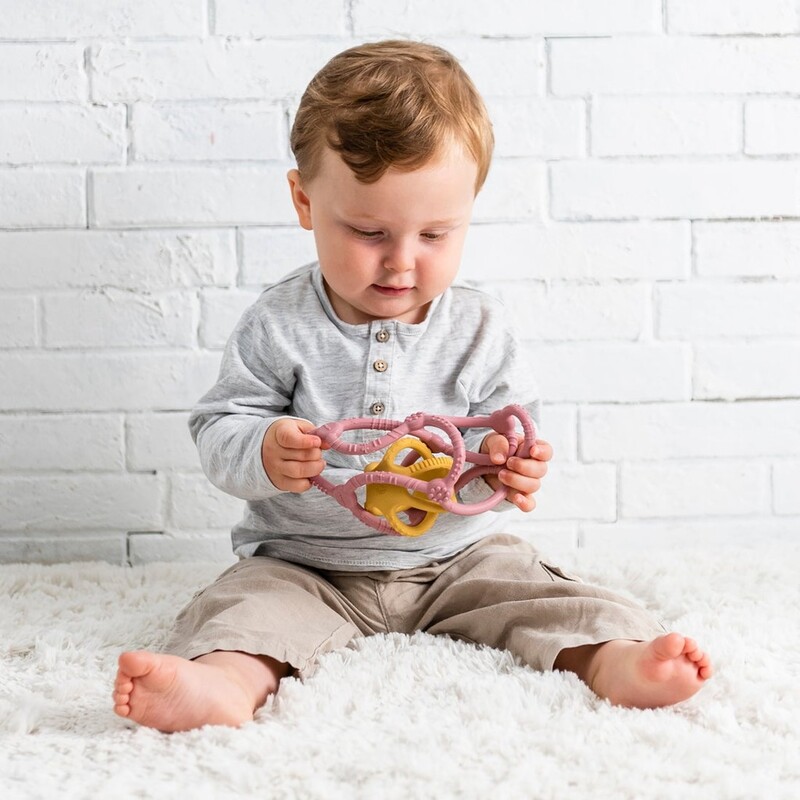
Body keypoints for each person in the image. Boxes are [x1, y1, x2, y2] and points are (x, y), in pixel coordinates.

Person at [112, 40, 712, 732]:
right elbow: (221, 426)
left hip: (457, 560)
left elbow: (510, 429)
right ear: (304, 201)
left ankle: (615, 660)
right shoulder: (278, 324)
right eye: (370, 231)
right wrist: (264, 448)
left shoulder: (480, 326)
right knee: (246, 612)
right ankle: (222, 683)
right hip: (310, 566)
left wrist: (511, 466)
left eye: (435, 234)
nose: (401, 262)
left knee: (547, 593)